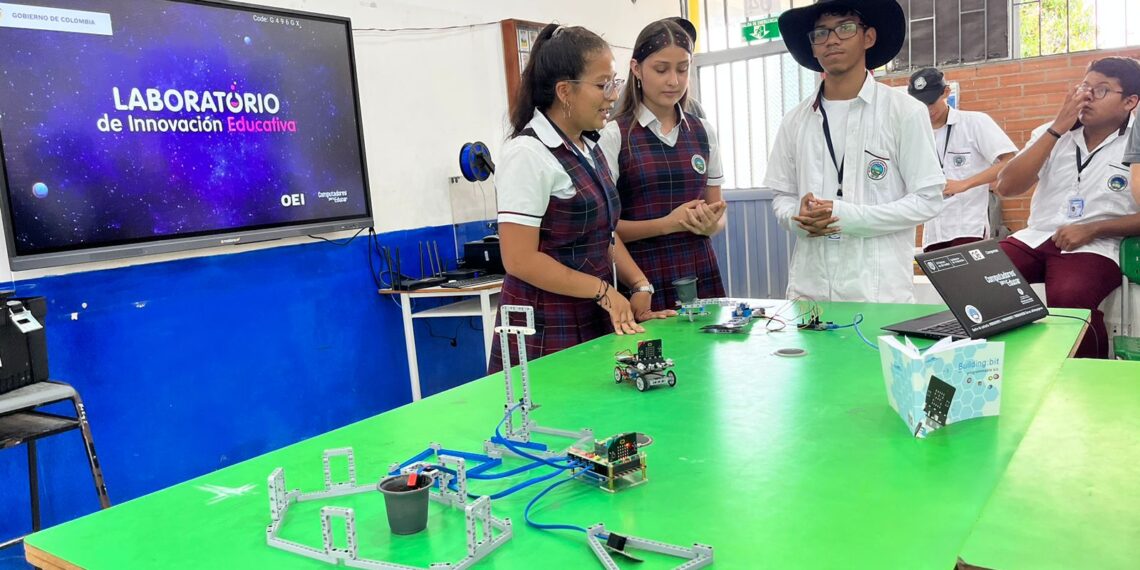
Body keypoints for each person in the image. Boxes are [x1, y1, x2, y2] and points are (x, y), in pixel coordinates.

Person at [488, 23, 671, 374]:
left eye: (614, 82)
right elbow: (519, 259)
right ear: (565, 92)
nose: (613, 95)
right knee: (553, 421)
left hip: (588, 310)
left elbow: (603, 234)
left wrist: (639, 285)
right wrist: (603, 291)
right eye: (603, 85)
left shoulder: (589, 147)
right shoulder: (528, 153)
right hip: (544, 325)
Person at [764, 0, 945, 302]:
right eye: (820, 33)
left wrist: (848, 217)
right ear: (812, 47)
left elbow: (927, 201)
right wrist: (797, 215)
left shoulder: (904, 112)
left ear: (868, 37)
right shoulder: (795, 120)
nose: (831, 39)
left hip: (880, 295)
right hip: (810, 295)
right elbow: (781, 196)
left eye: (845, 28)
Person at [995, 56, 1140, 358]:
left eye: (1100, 90)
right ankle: (1003, 363)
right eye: (1084, 86)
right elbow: (1007, 187)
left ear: (1129, 102)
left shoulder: (1135, 141)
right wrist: (1057, 128)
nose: (1086, 96)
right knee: (980, 276)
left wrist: (1093, 228)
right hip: (1037, 236)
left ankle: (1088, 376)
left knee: (1071, 297)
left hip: (1098, 243)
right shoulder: (1053, 132)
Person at [599, 17, 727, 311]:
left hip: (700, 271)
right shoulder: (615, 135)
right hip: (641, 278)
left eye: (683, 69)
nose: (674, 80)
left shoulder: (703, 131)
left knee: (706, 355)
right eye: (661, 69)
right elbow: (603, 230)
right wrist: (667, 224)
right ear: (636, 69)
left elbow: (718, 214)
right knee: (651, 357)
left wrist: (710, 224)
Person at [907, 67, 1017, 252]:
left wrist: (964, 184)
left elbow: (1010, 161)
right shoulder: (914, 133)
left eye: (931, 101)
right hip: (933, 231)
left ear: (946, 92)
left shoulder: (974, 122)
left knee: (969, 280)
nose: (928, 109)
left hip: (968, 228)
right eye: (921, 104)